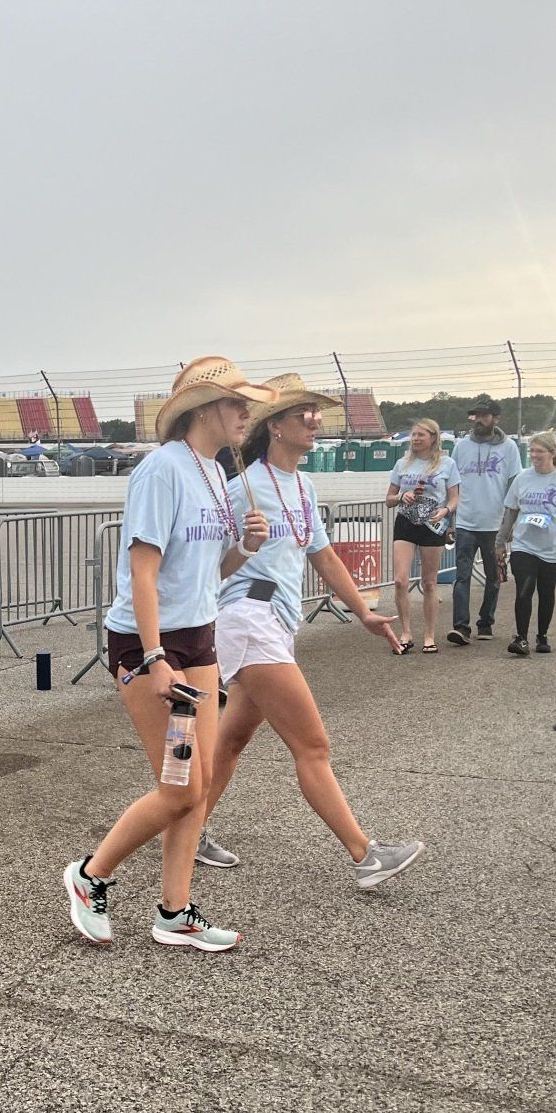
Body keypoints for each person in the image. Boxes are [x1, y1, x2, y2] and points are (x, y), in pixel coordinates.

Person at [64, 357, 275, 953]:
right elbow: (143, 570)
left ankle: (175, 912)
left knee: (198, 786)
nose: (247, 414)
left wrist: (245, 548)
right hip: (149, 643)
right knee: (180, 786)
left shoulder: (215, 473)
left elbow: (208, 572)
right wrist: (156, 657)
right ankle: (90, 875)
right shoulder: (162, 470)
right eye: (236, 403)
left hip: (198, 637)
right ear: (203, 408)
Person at [197, 375, 424, 887]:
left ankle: (184, 831)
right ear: (275, 426)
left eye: (316, 414)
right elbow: (205, 561)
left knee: (231, 742)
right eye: (305, 415)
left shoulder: (303, 486)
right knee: (313, 745)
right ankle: (365, 855)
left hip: (276, 623)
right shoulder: (242, 488)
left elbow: (323, 556)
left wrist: (363, 612)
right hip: (249, 620)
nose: (315, 422)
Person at [446, 396, 523, 645]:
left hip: (494, 525)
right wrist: (450, 520)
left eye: (484, 416)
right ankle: (461, 627)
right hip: (466, 522)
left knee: (493, 577)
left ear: (496, 419)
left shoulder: (509, 448)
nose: (479, 420)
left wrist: (510, 524)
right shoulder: (461, 446)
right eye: (476, 415)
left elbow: (514, 486)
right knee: (462, 576)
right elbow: (452, 485)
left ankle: (485, 622)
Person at [497, 432, 556, 657]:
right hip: (524, 545)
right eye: (532, 451)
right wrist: (500, 542)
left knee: (546, 592)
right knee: (524, 589)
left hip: (552, 547)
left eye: (539, 451)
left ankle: (542, 635)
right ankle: (521, 638)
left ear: (552, 453)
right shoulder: (522, 478)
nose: (534, 455)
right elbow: (510, 512)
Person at [384, 417, 459, 653]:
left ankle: (429, 635)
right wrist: (400, 497)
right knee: (400, 580)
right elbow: (388, 499)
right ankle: (405, 633)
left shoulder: (447, 464)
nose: (415, 439)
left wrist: (445, 511)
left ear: (433, 438)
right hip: (406, 523)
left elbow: (454, 498)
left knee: (429, 582)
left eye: (420, 435)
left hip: (432, 525)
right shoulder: (402, 464)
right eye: (413, 435)